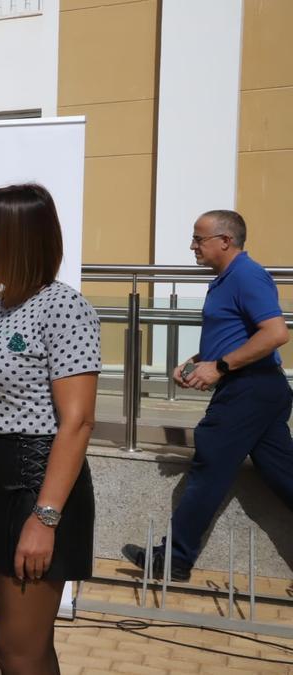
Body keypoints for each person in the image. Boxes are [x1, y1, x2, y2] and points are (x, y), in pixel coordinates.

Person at [0, 184, 100, 675]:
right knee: (23, 643)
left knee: (18, 647)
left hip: (39, 482)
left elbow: (76, 422)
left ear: (20, 242)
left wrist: (46, 516)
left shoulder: (64, 307)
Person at [124, 210, 293, 582]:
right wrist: (200, 361)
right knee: (284, 475)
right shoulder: (226, 279)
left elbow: (276, 334)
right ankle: (175, 558)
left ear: (225, 241)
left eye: (199, 239)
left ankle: (175, 560)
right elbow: (241, 333)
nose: (192, 246)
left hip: (249, 390)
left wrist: (220, 368)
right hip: (255, 389)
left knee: (208, 472)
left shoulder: (247, 275)